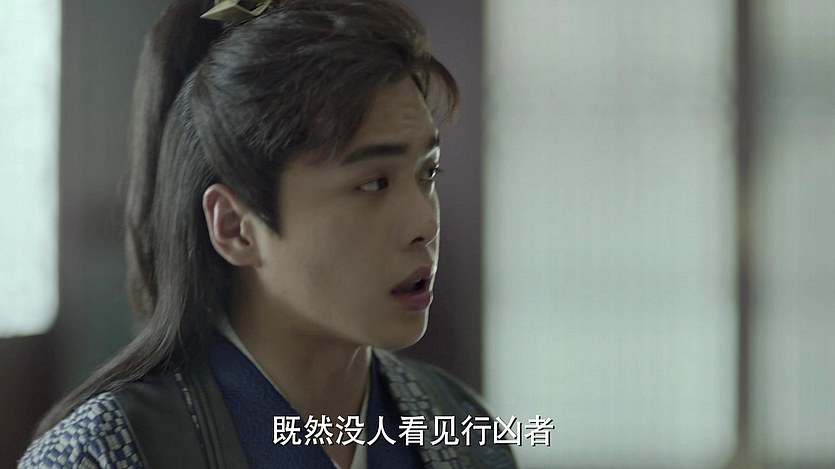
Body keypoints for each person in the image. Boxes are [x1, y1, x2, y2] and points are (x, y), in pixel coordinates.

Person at [19, 0, 516, 467]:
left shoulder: (460, 428)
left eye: (428, 173)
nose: (424, 224)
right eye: (372, 183)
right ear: (235, 227)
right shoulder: (104, 451)